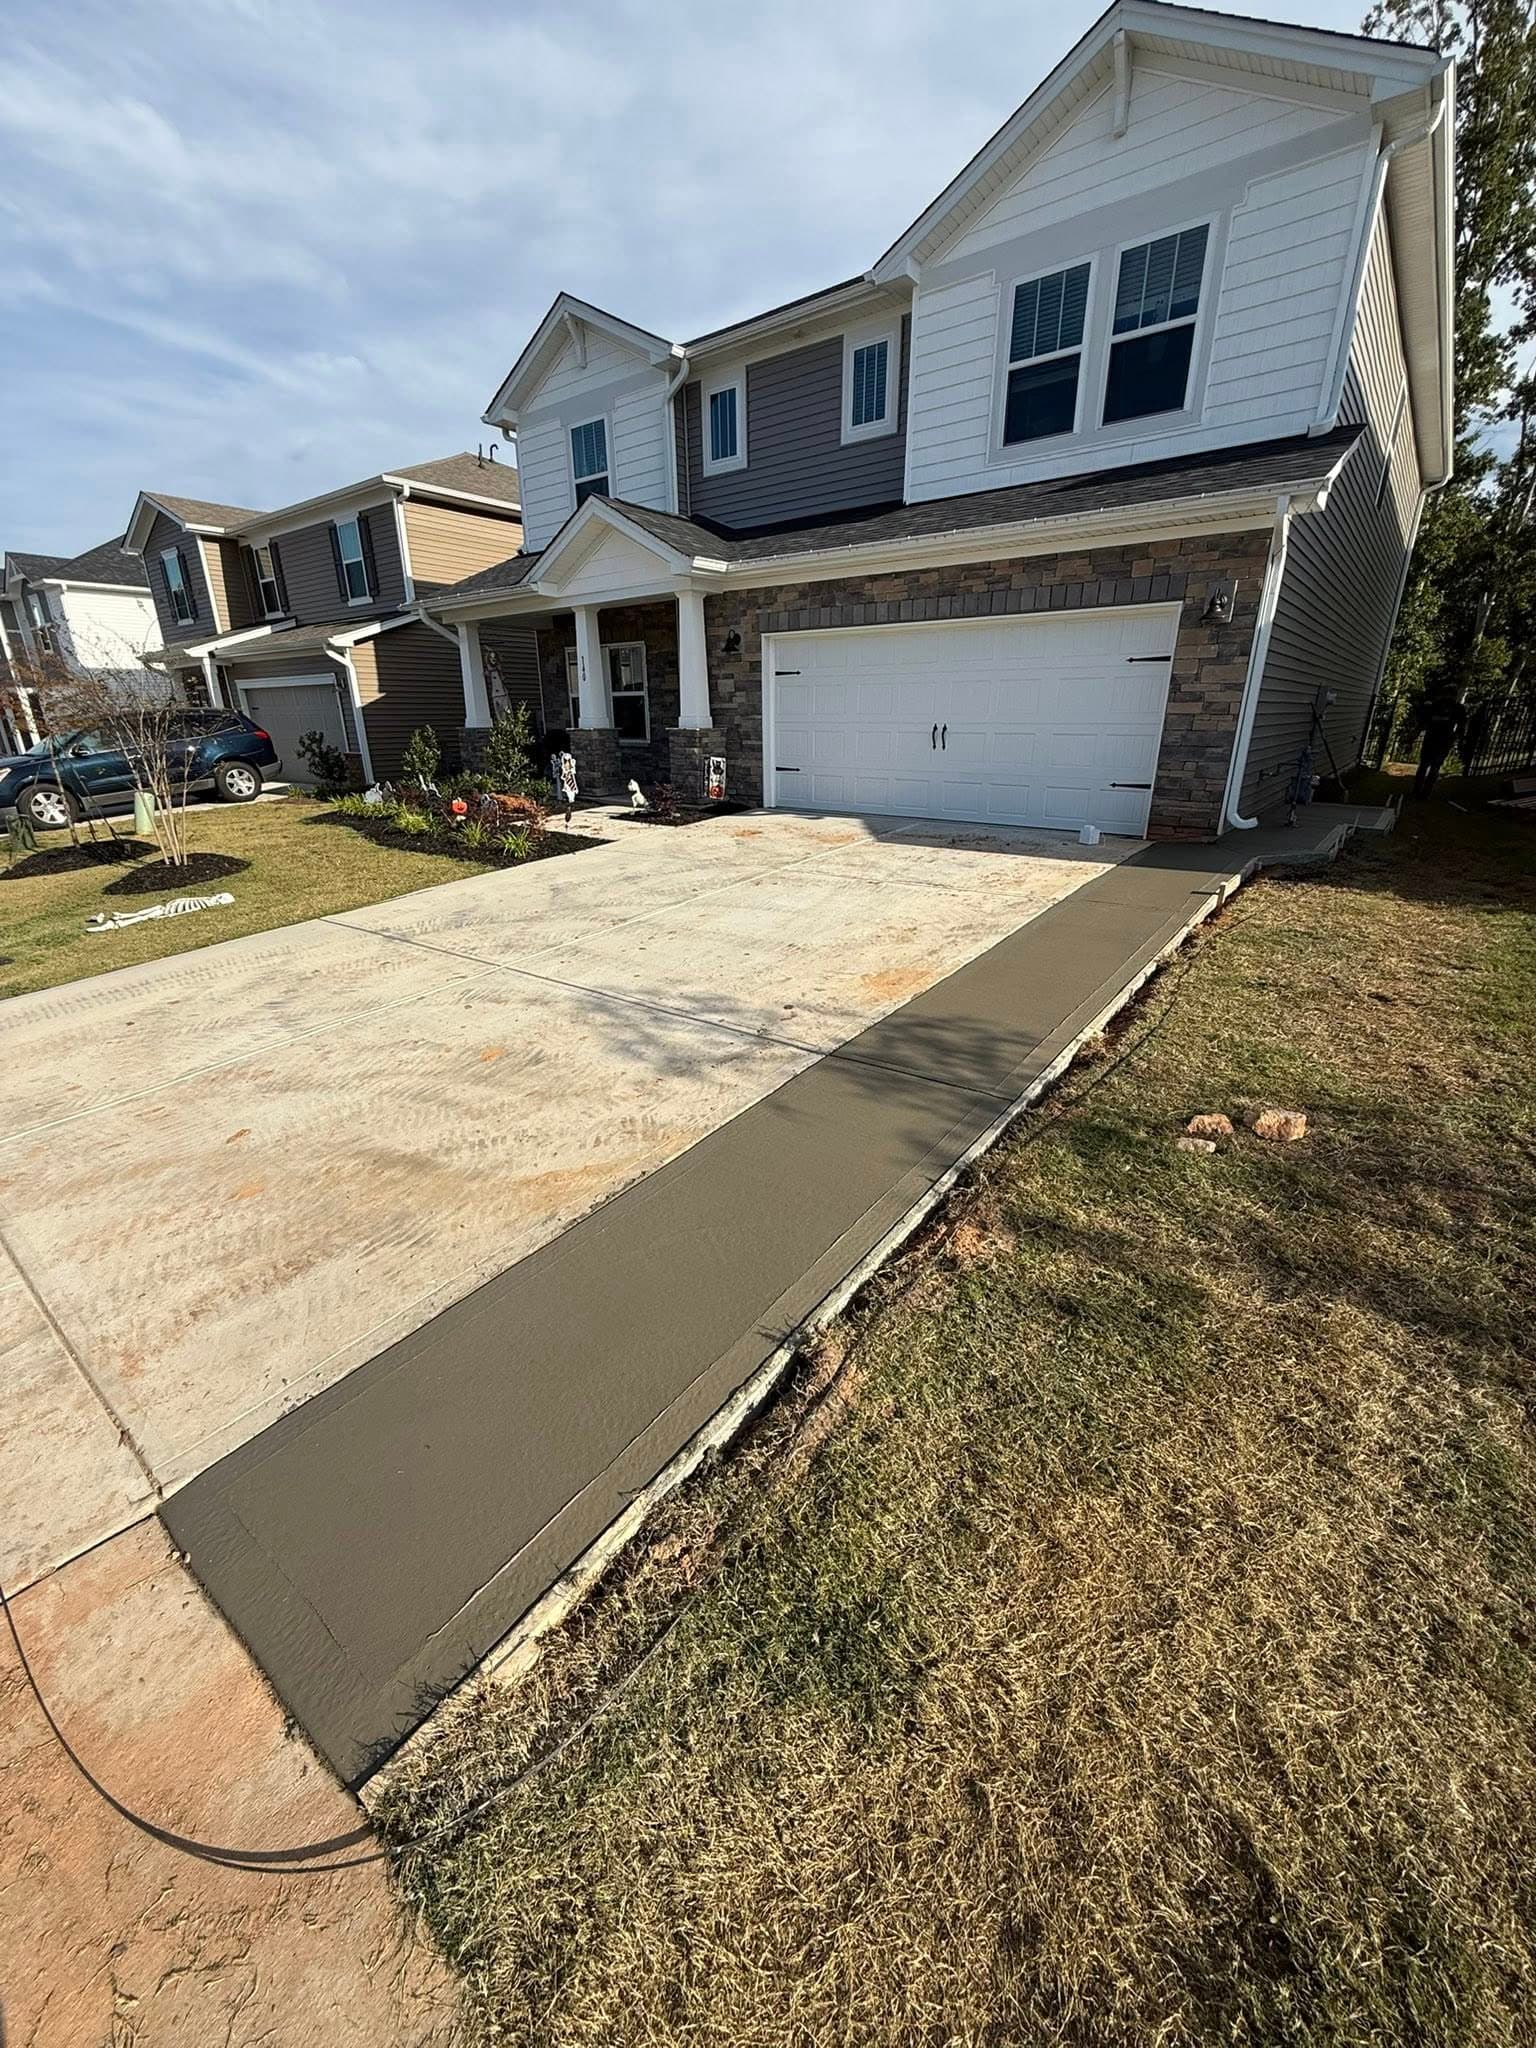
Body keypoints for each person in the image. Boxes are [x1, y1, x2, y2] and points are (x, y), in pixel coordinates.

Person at [1415, 689, 1466, 796]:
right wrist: (1457, 738)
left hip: (1434, 738)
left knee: (1426, 765)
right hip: (1443, 740)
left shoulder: (1435, 706)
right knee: (1434, 766)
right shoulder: (1456, 708)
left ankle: (1419, 790)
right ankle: (1425, 791)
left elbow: (1423, 721)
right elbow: (1461, 726)